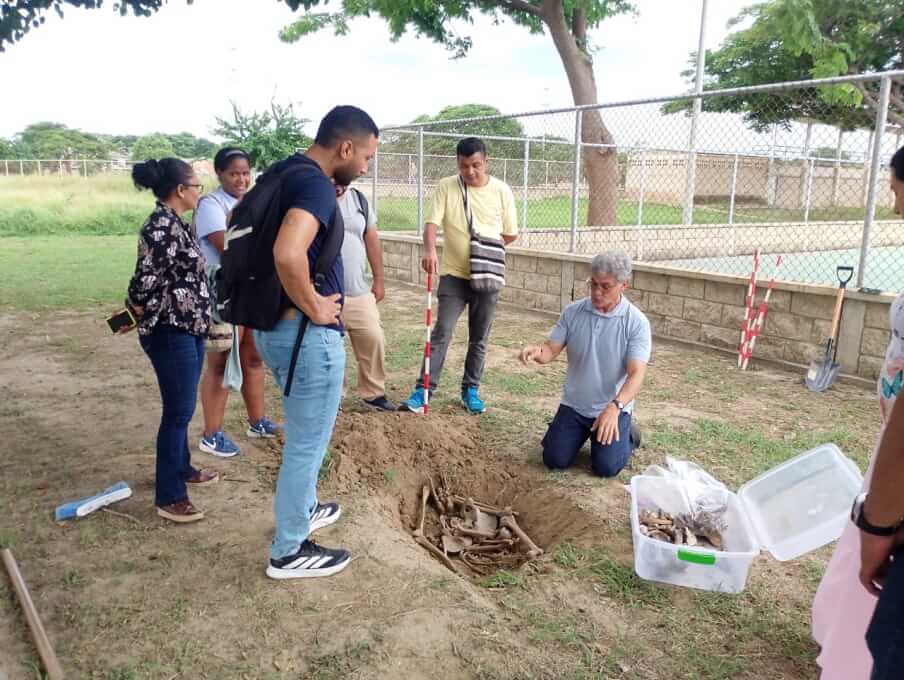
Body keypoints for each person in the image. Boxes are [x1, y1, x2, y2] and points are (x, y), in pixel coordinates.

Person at [253, 105, 379, 580]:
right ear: (345, 148)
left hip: (273, 331)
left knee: (302, 437)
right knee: (306, 447)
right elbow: (287, 254)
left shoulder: (281, 173)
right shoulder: (313, 184)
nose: (365, 166)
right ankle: (289, 551)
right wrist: (314, 304)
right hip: (305, 335)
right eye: (366, 156)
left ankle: (303, 509)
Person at [812, 146, 904, 679]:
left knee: (875, 572)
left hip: (900, 461)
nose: (894, 208)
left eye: (895, 191)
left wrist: (879, 520)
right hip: (890, 443)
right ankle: (842, 639)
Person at [125, 158, 218, 523]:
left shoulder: (175, 223)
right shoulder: (161, 225)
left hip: (187, 327)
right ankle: (169, 496)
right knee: (177, 412)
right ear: (181, 190)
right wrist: (135, 309)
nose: (199, 192)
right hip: (169, 330)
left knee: (181, 407)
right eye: (197, 186)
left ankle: (182, 468)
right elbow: (145, 280)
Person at [399, 137, 518, 415]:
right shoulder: (446, 187)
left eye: (476, 165)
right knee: (442, 332)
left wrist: (482, 250)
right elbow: (431, 224)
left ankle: (471, 391)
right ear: (458, 164)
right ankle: (424, 390)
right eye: (464, 166)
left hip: (487, 277)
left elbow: (510, 233)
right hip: (453, 275)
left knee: (479, 337)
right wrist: (430, 250)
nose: (471, 171)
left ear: (486, 162)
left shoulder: (502, 191)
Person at [519, 252, 649, 477]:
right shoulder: (573, 312)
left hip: (612, 409)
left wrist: (615, 407)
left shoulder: (636, 323)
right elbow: (551, 350)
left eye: (605, 287)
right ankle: (575, 434)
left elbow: (636, 373)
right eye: (593, 284)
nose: (597, 293)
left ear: (624, 285)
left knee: (606, 468)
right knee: (554, 459)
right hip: (575, 405)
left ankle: (629, 435)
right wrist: (537, 352)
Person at [195, 147, 281, 458]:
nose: (242, 179)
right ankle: (211, 434)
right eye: (234, 173)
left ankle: (257, 422)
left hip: (251, 290)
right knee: (220, 361)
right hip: (223, 293)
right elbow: (227, 246)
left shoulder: (256, 202)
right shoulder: (211, 204)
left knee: (252, 357)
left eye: (246, 172)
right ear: (219, 174)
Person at [335, 181, 395, 411]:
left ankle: (373, 394)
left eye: (343, 182)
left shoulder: (359, 200)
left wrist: (379, 278)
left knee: (374, 338)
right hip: (326, 293)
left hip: (359, 290)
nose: (338, 186)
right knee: (332, 348)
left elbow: (371, 240)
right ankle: (334, 396)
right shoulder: (314, 196)